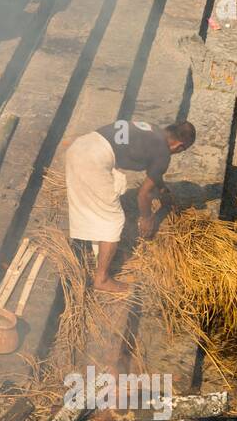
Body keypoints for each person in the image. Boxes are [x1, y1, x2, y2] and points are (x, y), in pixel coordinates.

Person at [64, 119, 196, 292]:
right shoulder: (163, 153)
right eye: (182, 150)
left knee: (96, 204)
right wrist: (147, 218)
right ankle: (102, 279)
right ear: (179, 146)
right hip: (93, 161)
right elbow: (144, 194)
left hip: (81, 146)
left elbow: (154, 175)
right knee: (113, 219)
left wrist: (162, 190)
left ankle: (100, 251)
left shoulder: (153, 129)